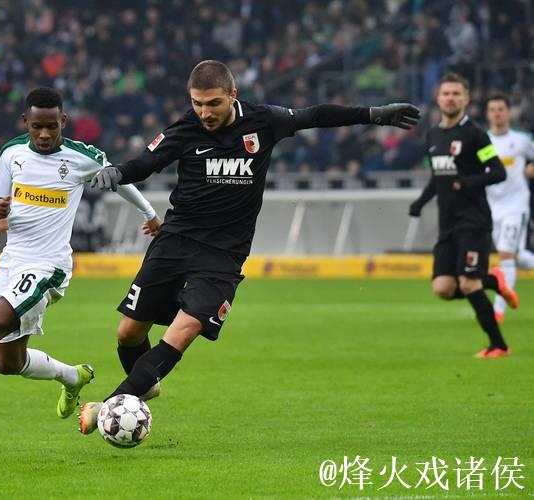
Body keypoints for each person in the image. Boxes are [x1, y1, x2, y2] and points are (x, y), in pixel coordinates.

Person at [77, 59, 422, 434]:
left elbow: (315, 115)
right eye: (197, 103)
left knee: (184, 330)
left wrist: (373, 114)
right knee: (128, 333)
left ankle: (109, 407)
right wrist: (118, 172)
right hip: (175, 241)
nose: (205, 113)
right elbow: (147, 161)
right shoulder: (187, 128)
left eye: (213, 103)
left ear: (233, 95)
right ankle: (144, 383)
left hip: (223, 256)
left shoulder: (263, 121)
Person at [0, 87, 161, 448]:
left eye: (52, 126)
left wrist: (149, 214)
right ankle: (73, 377)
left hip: (48, 268)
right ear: (26, 122)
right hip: (12, 264)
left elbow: (119, 179)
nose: (45, 134)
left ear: (63, 121)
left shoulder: (81, 157)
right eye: (37, 127)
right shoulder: (12, 153)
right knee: (8, 362)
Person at [409, 73, 518, 359]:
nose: (451, 98)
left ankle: (499, 345)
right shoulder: (433, 136)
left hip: (474, 220)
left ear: (466, 99)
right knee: (443, 288)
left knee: (468, 283)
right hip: (447, 224)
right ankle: (493, 281)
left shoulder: (475, 135)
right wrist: (420, 202)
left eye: (456, 94)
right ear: (438, 98)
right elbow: (439, 177)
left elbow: (498, 171)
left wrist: (467, 182)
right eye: (446, 93)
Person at [485, 92, 534, 322]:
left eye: (501, 109)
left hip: (516, 205)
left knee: (505, 254)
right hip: (492, 207)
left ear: (509, 112)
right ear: (488, 114)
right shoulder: (483, 141)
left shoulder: (522, 140)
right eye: (492, 109)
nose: (497, 113)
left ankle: (498, 311)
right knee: (518, 256)